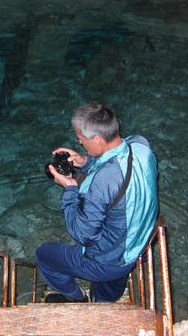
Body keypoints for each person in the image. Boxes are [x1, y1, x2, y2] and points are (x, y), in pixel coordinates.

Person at [36, 102, 159, 303]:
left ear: (98, 138)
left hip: (110, 262)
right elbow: (118, 166)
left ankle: (77, 297)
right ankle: (104, 300)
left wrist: (69, 189)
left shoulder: (104, 181)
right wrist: (86, 162)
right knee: (109, 287)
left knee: (44, 255)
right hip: (141, 243)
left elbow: (83, 233)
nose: (80, 144)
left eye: (81, 139)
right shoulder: (140, 145)